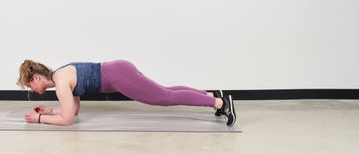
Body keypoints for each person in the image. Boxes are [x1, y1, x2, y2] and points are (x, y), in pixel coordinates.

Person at [17, 59, 236, 126]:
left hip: (118, 76)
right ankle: (209, 95)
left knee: (164, 98)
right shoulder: (61, 76)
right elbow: (72, 109)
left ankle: (221, 104)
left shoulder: (61, 81)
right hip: (118, 70)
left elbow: (67, 120)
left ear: (37, 78)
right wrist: (50, 109)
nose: (32, 90)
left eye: (30, 86)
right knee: (165, 91)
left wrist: (39, 119)